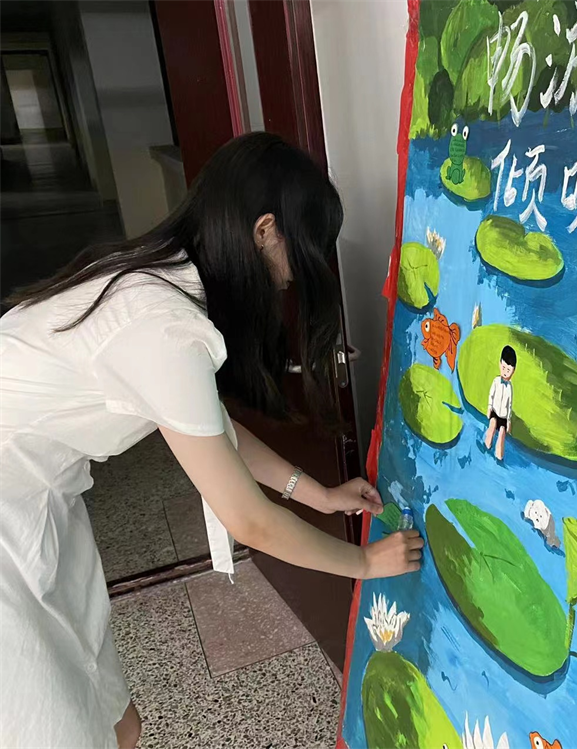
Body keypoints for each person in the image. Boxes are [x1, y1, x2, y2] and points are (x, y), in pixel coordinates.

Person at [0, 133, 424, 749]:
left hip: (36, 495)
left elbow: (217, 433)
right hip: (10, 512)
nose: (294, 277)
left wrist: (322, 496)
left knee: (116, 716)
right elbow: (249, 521)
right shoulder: (162, 326)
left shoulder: (166, 280)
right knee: (56, 723)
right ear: (265, 230)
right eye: (304, 249)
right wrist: (364, 563)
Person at [484, 345, 516, 461]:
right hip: (495, 412)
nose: (505, 372)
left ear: (513, 371)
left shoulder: (510, 388)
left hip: (503, 416)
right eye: (503, 368)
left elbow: (509, 404)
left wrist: (508, 421)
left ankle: (499, 456)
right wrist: (489, 408)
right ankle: (486, 446)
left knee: (502, 434)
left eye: (508, 370)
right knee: (492, 425)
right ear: (499, 364)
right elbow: (491, 395)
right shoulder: (496, 381)